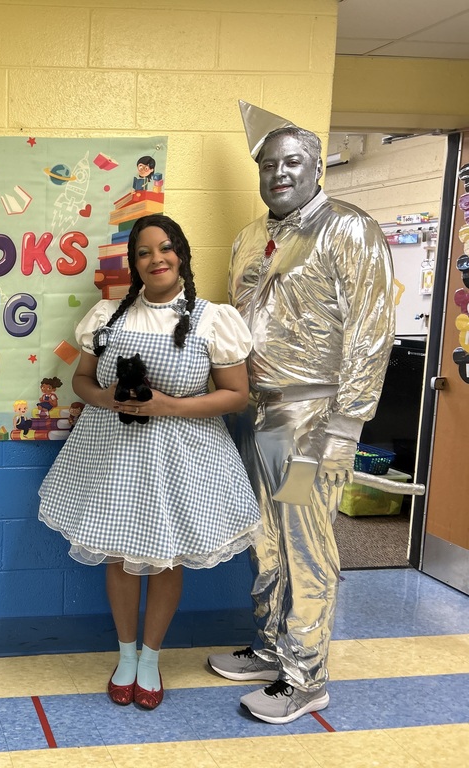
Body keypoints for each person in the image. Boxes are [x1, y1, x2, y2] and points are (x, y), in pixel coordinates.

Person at [208, 102, 395, 724]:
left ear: (319, 167)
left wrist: (345, 429)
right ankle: (271, 648)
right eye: (269, 164)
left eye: (293, 162)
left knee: (307, 546)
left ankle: (307, 675)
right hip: (261, 415)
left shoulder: (350, 229)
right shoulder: (250, 239)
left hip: (315, 420)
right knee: (266, 539)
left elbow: (372, 332)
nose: (279, 173)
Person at [39, 214, 261, 710]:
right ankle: (124, 654)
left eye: (164, 249)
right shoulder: (108, 316)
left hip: (184, 455)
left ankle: (150, 658)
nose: (155, 259)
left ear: (180, 253)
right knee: (120, 556)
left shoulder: (213, 318)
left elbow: (236, 395)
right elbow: (81, 381)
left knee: (166, 559)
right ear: (134, 262)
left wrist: (170, 406)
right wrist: (106, 398)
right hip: (113, 452)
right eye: (143, 252)